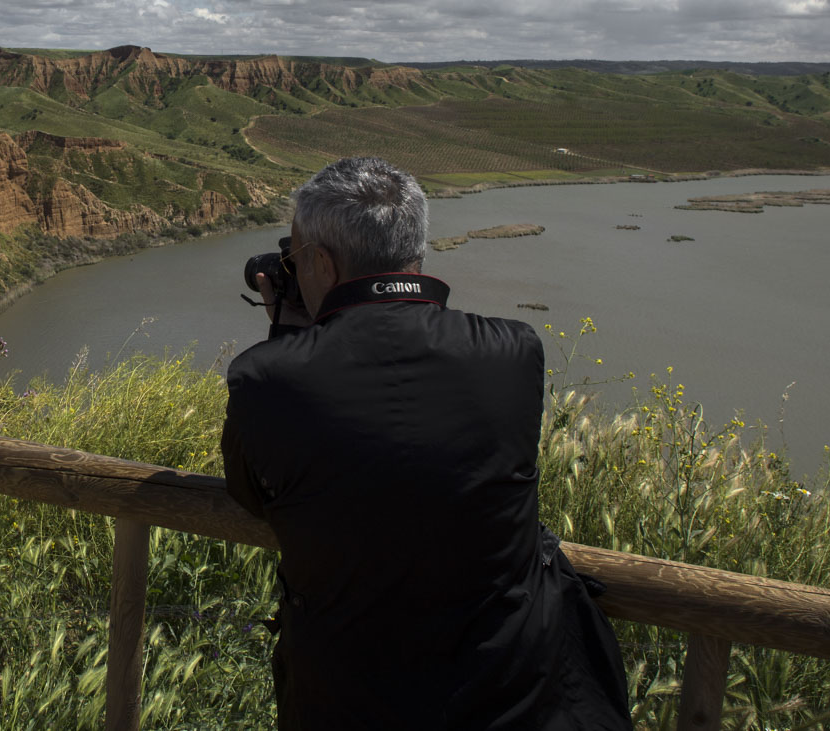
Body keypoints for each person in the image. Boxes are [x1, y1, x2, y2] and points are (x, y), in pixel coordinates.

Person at [222, 157, 631, 730]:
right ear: (416, 248)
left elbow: (253, 493)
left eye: (294, 257)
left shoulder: (266, 377)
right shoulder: (513, 353)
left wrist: (292, 332)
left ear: (319, 262)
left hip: (345, 703)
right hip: (515, 698)